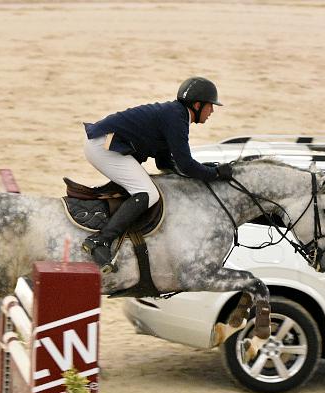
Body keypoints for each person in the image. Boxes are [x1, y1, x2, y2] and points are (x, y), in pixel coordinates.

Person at [81, 76, 234, 273]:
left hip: (102, 143)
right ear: (197, 105)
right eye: (210, 106)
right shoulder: (177, 118)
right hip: (102, 147)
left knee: (143, 188)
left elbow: (165, 163)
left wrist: (202, 170)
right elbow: (185, 165)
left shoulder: (174, 114)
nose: (212, 111)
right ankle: (100, 240)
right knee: (148, 193)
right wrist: (215, 174)